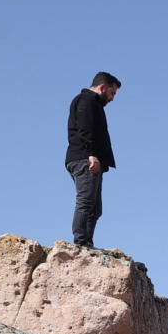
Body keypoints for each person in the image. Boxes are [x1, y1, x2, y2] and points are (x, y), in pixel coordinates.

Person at [65, 72, 120, 248]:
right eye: (112, 93)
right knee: (86, 201)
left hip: (90, 159)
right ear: (102, 87)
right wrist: (91, 154)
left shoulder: (93, 104)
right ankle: (81, 243)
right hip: (84, 158)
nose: (112, 98)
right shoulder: (86, 100)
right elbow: (84, 128)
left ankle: (86, 243)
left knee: (95, 208)